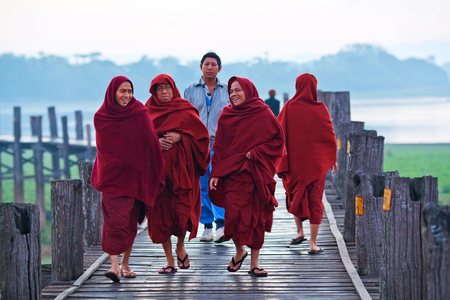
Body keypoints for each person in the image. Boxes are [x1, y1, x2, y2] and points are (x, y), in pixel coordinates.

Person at [209, 76, 284, 277]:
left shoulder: (263, 113)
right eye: (231, 91)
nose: (233, 94)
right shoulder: (226, 115)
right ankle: (240, 250)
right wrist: (216, 172)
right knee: (233, 215)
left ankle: (255, 262)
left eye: (238, 90)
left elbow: (278, 141)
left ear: (248, 91)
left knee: (257, 218)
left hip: (258, 173)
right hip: (233, 173)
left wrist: (257, 152)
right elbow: (220, 146)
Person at [92, 75, 165, 282]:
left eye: (130, 91)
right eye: (122, 91)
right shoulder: (102, 117)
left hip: (135, 179)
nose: (127, 95)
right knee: (114, 222)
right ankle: (114, 266)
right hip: (113, 179)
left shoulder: (140, 113)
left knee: (130, 222)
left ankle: (125, 262)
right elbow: (105, 150)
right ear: (112, 92)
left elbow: (149, 143)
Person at [146, 74, 210, 274]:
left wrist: (181, 137)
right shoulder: (146, 113)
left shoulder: (185, 110)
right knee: (161, 213)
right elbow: (138, 141)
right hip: (158, 175)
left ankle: (180, 246)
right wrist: (157, 143)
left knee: (182, 212)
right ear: (154, 92)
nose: (164, 92)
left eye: (167, 88)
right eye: (159, 89)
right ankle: (169, 259)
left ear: (173, 89)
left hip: (184, 173)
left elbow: (202, 138)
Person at [276, 73, 338, 254]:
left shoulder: (288, 107)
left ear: (297, 86)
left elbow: (278, 132)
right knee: (315, 200)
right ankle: (312, 243)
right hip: (317, 164)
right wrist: (332, 158)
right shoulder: (320, 108)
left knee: (294, 194)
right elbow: (329, 134)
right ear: (313, 87)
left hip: (294, 163)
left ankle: (299, 231)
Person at [184, 52, 229, 242]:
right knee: (202, 185)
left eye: (213, 64)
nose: (210, 67)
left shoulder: (228, 90)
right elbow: (185, 117)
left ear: (219, 68)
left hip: (221, 145)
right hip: (198, 146)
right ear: (200, 67)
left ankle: (221, 224)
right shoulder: (190, 90)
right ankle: (207, 226)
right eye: (206, 64)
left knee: (218, 184)